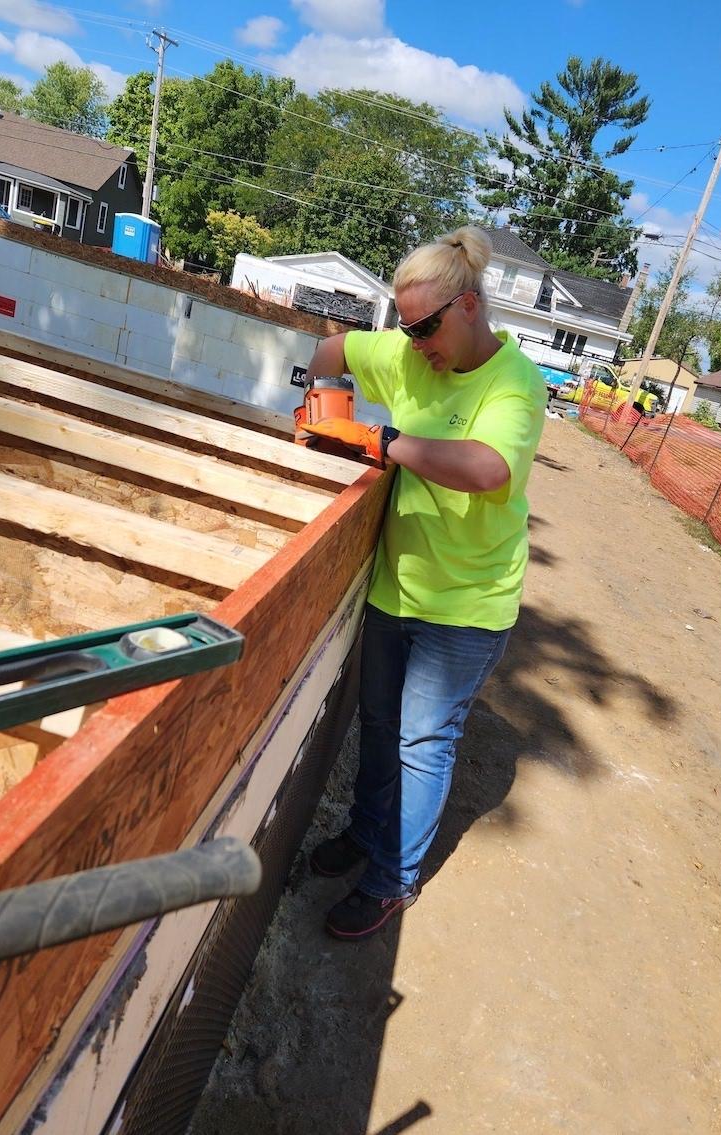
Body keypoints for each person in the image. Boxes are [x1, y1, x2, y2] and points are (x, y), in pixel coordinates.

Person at [300, 226, 546, 941]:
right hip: (395, 586)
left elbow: (487, 469)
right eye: (405, 328)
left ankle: (390, 878)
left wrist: (380, 442)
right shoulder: (411, 357)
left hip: (467, 604)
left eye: (427, 326)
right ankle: (367, 831)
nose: (414, 344)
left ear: (468, 307)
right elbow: (332, 349)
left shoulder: (515, 384)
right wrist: (323, 402)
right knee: (377, 725)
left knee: (422, 740)